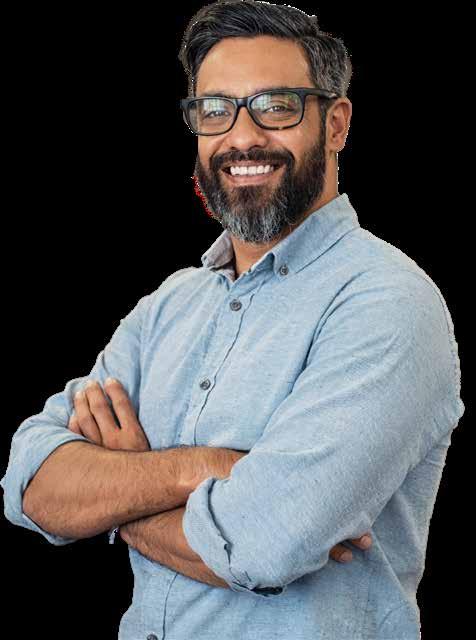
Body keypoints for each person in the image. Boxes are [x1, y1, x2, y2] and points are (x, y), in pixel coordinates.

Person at [1, 2, 464, 639]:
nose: (241, 138)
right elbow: (31, 483)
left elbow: (264, 545)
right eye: (215, 110)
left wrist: (114, 495)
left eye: (275, 106)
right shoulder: (169, 305)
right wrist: (206, 467)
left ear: (335, 124)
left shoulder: (386, 303)